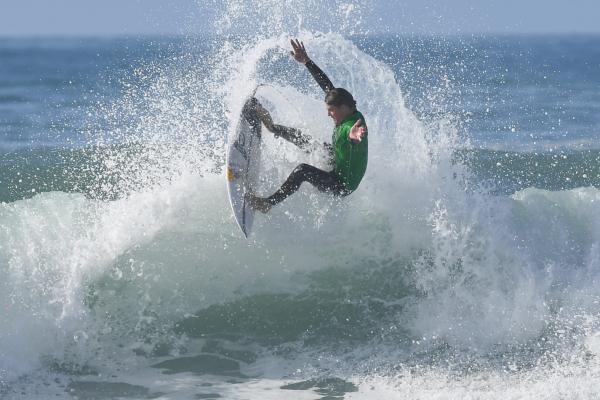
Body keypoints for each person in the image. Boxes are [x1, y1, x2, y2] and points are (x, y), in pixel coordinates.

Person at [245, 39, 368, 213]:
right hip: (338, 159)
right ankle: (272, 127)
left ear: (343, 107)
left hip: (342, 184)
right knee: (306, 140)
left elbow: (352, 135)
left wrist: (354, 137)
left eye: (331, 111)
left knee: (302, 171)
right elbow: (328, 87)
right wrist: (307, 62)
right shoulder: (346, 109)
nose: (328, 114)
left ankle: (267, 204)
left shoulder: (353, 125)